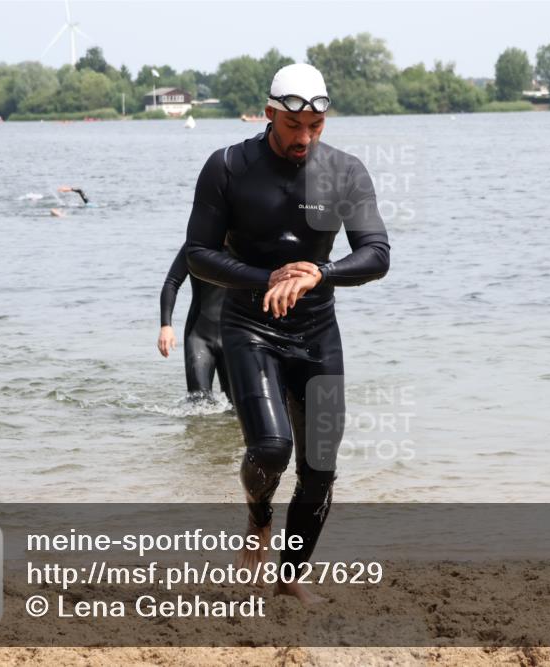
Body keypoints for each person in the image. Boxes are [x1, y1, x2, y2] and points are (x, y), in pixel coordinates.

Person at [185, 63, 390, 604]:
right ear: (271, 114)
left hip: (318, 327)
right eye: (294, 127)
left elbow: (376, 253)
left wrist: (321, 272)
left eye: (316, 127)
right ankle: (258, 519)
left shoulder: (345, 172)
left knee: (321, 466)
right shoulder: (228, 166)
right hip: (250, 325)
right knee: (272, 449)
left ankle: (290, 576)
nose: (304, 138)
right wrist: (266, 277)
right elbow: (198, 254)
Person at [158, 242, 230, 402]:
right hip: (199, 336)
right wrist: (166, 326)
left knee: (237, 406)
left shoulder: (244, 243)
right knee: (198, 403)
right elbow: (172, 283)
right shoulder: (197, 244)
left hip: (234, 336)